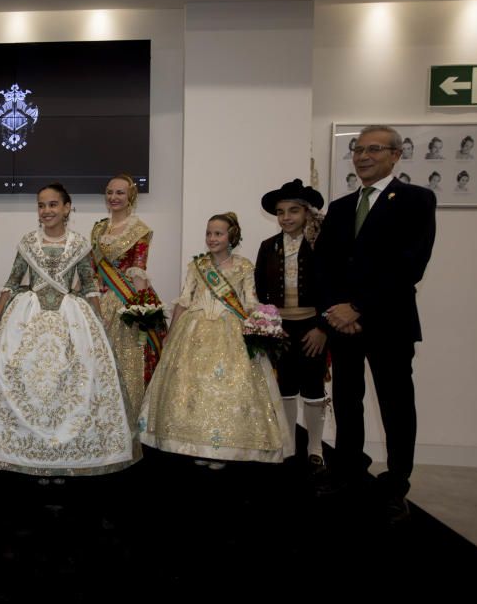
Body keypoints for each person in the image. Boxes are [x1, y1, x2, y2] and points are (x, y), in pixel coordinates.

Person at [315, 124, 436, 525]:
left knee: (396, 405)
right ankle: (347, 472)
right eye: (358, 149)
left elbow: (410, 264)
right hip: (342, 323)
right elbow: (327, 265)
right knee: (347, 402)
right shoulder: (342, 206)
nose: (363, 156)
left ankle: (396, 484)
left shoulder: (417, 200)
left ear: (395, 155)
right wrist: (336, 309)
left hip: (389, 322)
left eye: (374, 149)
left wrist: (359, 307)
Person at [0, 183, 134, 478]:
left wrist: (99, 326)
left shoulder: (79, 244)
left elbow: (89, 286)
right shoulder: (28, 242)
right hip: (28, 318)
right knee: (25, 383)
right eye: (41, 205)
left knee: (70, 386)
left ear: (66, 208)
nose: (46, 210)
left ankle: (65, 459)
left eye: (52, 205)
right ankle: (29, 455)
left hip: (70, 321)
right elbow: (12, 281)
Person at [139, 212, 293, 468]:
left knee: (225, 388)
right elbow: (184, 300)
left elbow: (250, 301)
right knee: (193, 388)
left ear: (231, 236)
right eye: (209, 233)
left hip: (229, 329)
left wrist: (260, 326)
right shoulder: (196, 265)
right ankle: (198, 444)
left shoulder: (243, 266)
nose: (212, 238)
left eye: (218, 233)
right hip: (193, 329)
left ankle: (223, 449)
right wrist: (170, 333)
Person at [256, 179, 328, 477]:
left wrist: (322, 327)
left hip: (313, 326)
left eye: (293, 211)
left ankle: (315, 448)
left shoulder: (320, 245)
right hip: (281, 329)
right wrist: (271, 325)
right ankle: (288, 445)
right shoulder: (267, 247)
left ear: (307, 213)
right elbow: (260, 291)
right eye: (281, 212)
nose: (286, 217)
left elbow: (331, 287)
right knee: (284, 387)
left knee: (313, 388)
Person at [90, 174, 167, 423]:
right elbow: (92, 267)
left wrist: (141, 306)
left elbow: (138, 268)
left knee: (128, 359)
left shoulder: (140, 230)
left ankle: (129, 419)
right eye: (110, 192)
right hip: (98, 299)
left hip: (126, 300)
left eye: (120, 193)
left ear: (131, 196)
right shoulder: (99, 228)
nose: (113, 197)